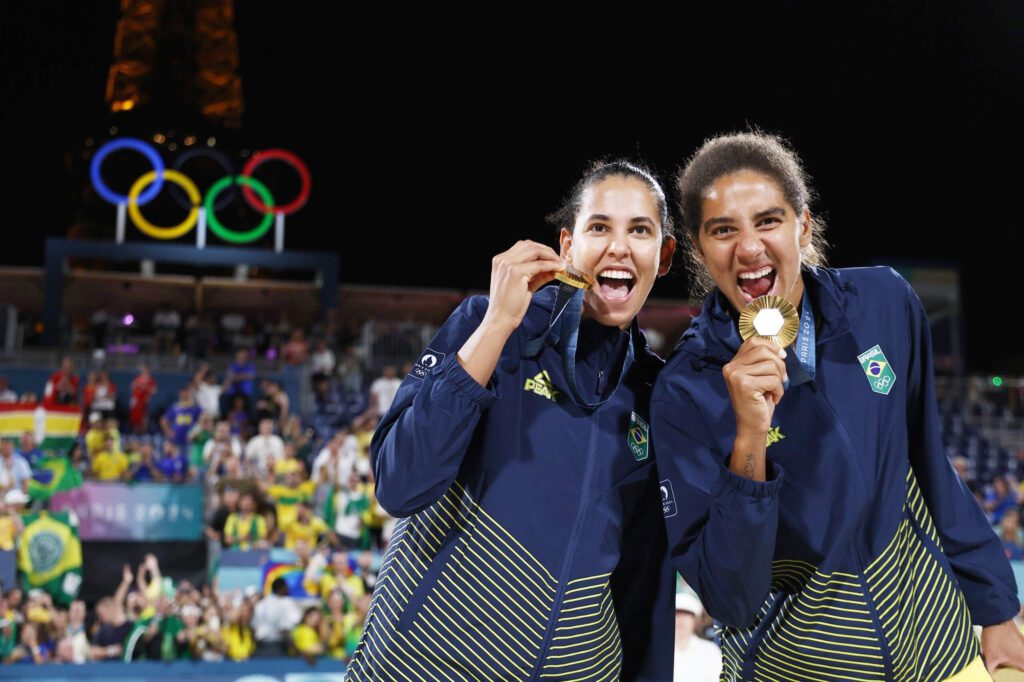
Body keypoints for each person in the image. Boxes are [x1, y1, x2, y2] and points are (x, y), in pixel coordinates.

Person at [652, 131, 1024, 681]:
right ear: (700, 248)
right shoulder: (686, 391)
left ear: (803, 225)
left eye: (769, 220)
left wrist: (997, 608)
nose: (749, 247)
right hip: (798, 668)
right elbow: (730, 596)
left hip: (942, 654)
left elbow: (929, 464)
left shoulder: (884, 303)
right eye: (724, 230)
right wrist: (749, 438)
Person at [348, 160, 677, 680]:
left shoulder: (656, 394)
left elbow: (642, 585)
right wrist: (500, 322)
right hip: (425, 667)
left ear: (664, 257)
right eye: (600, 227)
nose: (619, 246)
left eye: (640, 230)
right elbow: (399, 483)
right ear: (566, 246)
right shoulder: (491, 325)